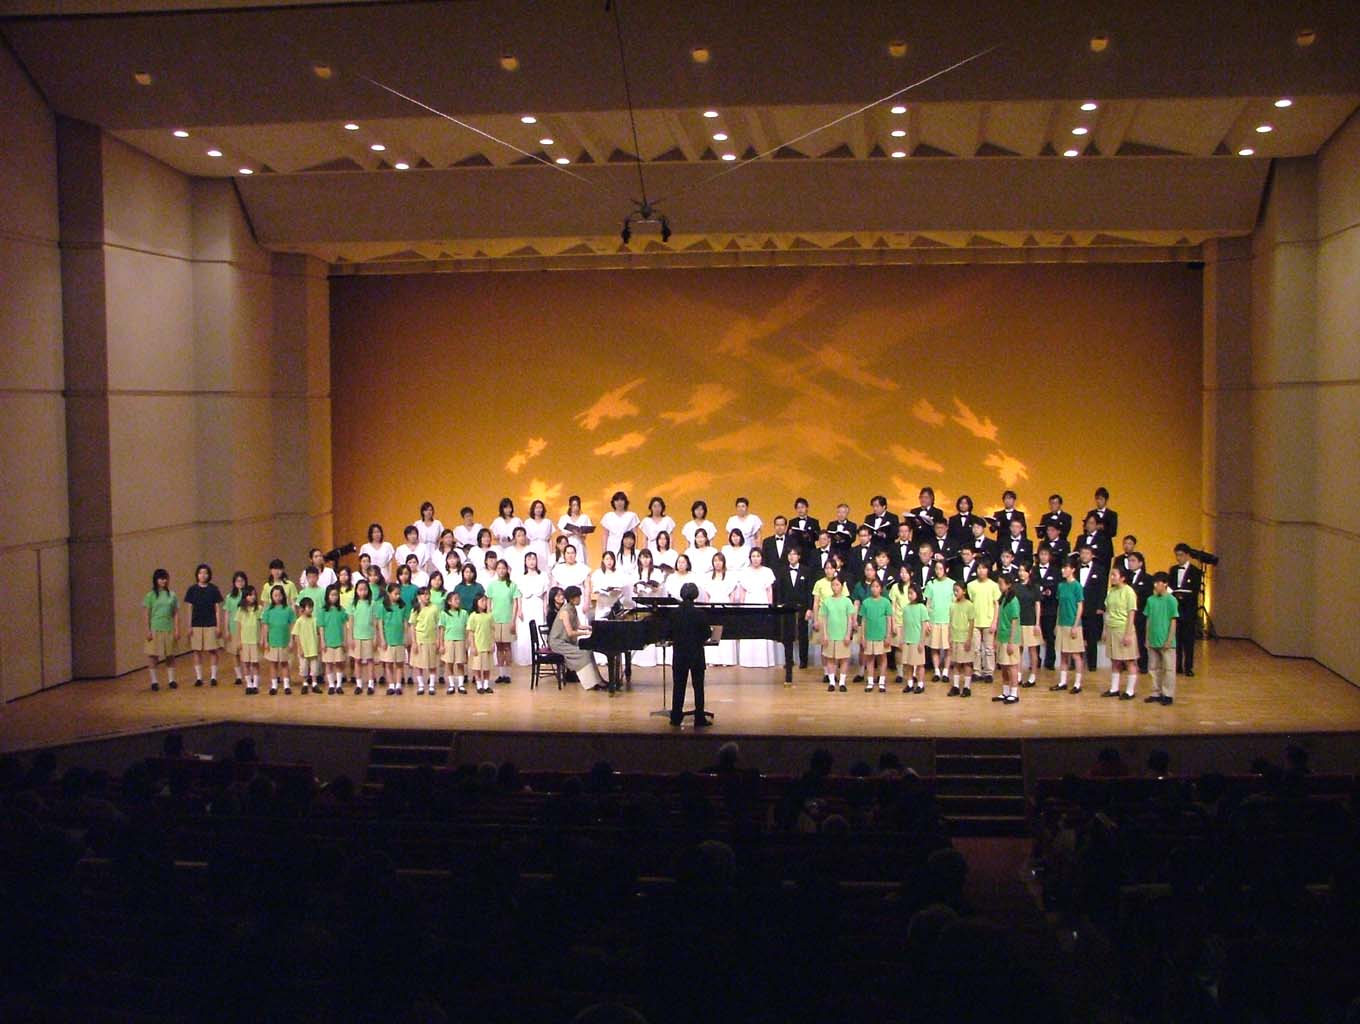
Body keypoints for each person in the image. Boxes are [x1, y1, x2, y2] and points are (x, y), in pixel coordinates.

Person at [669, 582, 714, 727]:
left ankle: (676, 717)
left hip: (679, 654)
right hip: (696, 654)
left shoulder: (674, 613)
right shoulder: (700, 614)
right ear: (695, 595)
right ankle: (699, 718)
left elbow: (669, 633)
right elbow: (707, 633)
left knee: (678, 687)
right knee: (698, 687)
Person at [548, 585, 607, 691]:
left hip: (565, 641)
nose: (579, 599)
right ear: (571, 598)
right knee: (584, 653)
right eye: (578, 597)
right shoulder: (565, 611)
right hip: (558, 643)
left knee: (589, 651)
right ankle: (591, 683)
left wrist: (592, 627)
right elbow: (570, 632)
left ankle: (599, 680)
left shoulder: (572, 608)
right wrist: (586, 633)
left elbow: (578, 625)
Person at [182, 562, 224, 688]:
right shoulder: (192, 590)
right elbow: (189, 608)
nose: (203, 575)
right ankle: (199, 677)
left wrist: (218, 625)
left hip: (211, 623)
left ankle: (213, 677)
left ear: (209, 575)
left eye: (205, 573)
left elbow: (217, 609)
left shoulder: (214, 589)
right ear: (197, 575)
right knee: (197, 651)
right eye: (200, 573)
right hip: (196, 624)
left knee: (213, 650)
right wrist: (189, 626)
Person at [1101, 565, 1139, 699]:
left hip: (1123, 629)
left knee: (1129, 661)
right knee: (1115, 660)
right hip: (1112, 629)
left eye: (1114, 575)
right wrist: (1105, 629)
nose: (1112, 577)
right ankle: (1114, 688)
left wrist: (1128, 634)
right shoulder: (1111, 591)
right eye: (1111, 575)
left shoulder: (1129, 592)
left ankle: (1130, 691)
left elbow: (1131, 613)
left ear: (1122, 578)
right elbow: (1107, 611)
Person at [736, 547, 777, 668]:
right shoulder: (744, 572)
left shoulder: (767, 571)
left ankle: (764, 661)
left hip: (762, 601)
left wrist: (770, 606)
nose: (755, 559)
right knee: (749, 629)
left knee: (763, 629)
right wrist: (742, 607)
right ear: (750, 558)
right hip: (749, 601)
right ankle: (747, 661)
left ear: (762, 558)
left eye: (758, 556)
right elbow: (742, 590)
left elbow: (769, 590)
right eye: (753, 556)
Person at [775, 545, 814, 670]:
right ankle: (789, 660)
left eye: (794, 554)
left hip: (802, 607)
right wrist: (779, 604)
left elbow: (809, 591)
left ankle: (804, 661)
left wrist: (810, 608)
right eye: (789, 554)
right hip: (787, 607)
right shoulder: (782, 570)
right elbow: (779, 589)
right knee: (787, 635)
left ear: (799, 556)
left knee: (803, 634)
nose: (791, 557)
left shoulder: (806, 570)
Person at [1143, 573, 1178, 706]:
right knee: (1153, 668)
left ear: (1165, 584)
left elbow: (1173, 620)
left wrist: (1169, 639)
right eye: (1155, 583)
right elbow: (1148, 619)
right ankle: (1155, 692)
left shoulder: (1171, 600)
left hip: (1166, 640)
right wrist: (1147, 638)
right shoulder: (1150, 600)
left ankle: (1168, 694)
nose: (1156, 585)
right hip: (1153, 639)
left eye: (1158, 583)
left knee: (1168, 669)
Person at [1051, 560, 1085, 694]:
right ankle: (1063, 682)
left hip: (1073, 624)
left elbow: (1080, 606)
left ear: (1073, 570)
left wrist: (1075, 625)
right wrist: (1057, 623)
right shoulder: (1061, 586)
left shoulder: (1077, 586)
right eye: (1062, 568)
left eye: (1066, 568)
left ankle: (1077, 683)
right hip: (1062, 623)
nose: (1063, 570)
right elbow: (1059, 606)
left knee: (1076, 655)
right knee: (1063, 654)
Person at [486, 561, 521, 686]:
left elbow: (515, 604)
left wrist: (513, 620)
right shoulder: (492, 585)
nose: (501, 570)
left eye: (503, 568)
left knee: (507, 647)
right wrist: (489, 617)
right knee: (499, 647)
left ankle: (508, 674)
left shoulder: (512, 585)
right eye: (499, 568)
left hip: (507, 620)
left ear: (507, 570)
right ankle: (501, 674)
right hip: (495, 619)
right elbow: (489, 603)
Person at [817, 577, 855, 692]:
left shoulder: (847, 601)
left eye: (837, 585)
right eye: (833, 585)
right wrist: (824, 634)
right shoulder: (827, 601)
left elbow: (850, 619)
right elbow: (824, 619)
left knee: (844, 659)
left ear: (842, 586)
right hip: (830, 635)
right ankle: (832, 682)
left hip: (842, 635)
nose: (835, 587)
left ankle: (842, 682)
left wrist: (848, 634)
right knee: (830, 659)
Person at [966, 560, 1001, 684]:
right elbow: (969, 604)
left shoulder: (993, 585)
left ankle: (989, 672)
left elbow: (996, 605)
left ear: (988, 570)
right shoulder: (971, 585)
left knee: (989, 649)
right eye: (979, 568)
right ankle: (977, 671)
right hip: (975, 622)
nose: (981, 571)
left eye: (984, 568)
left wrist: (994, 622)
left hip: (988, 621)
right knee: (975, 649)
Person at [1170, 544, 1201, 676]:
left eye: (1181, 555)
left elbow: (1195, 591)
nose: (1178, 558)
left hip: (1188, 609)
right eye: (1177, 555)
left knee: (1188, 639)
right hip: (1176, 609)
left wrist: (1183, 596)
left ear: (1188, 555)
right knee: (1176, 638)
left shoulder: (1195, 571)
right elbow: (1170, 587)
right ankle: (1177, 665)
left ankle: (1188, 666)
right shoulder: (1173, 570)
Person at [857, 577, 893, 692]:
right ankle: (870, 681)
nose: (874, 589)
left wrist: (888, 635)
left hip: (881, 635)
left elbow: (889, 620)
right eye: (872, 586)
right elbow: (863, 620)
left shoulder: (886, 602)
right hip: (869, 635)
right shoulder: (866, 602)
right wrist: (863, 637)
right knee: (870, 659)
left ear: (881, 589)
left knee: (882, 658)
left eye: (877, 586)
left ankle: (881, 682)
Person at [701, 552, 738, 665]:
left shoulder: (729, 576)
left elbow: (732, 592)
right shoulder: (708, 577)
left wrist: (730, 606)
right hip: (712, 605)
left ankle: (727, 659)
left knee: (725, 631)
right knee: (713, 631)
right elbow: (706, 594)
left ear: (724, 562)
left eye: (720, 560)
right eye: (715, 561)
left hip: (725, 605)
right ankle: (713, 659)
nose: (717, 563)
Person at [513, 551, 548, 666]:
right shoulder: (521, 577)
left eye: (533, 559)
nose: (532, 562)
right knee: (525, 631)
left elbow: (545, 594)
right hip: (525, 606)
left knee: (538, 628)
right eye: (529, 559)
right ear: (525, 561)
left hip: (538, 605)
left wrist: (545, 607)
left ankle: (540, 656)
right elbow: (518, 595)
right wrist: (519, 609)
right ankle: (526, 657)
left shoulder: (543, 575)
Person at [261, 583, 296, 695]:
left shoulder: (288, 610)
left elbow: (292, 625)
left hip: (284, 641)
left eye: (279, 595)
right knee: (273, 664)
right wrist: (265, 641)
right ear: (271, 597)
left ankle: (286, 685)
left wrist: (291, 640)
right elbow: (265, 626)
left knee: (285, 664)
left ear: (283, 596)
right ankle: (274, 686)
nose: (277, 597)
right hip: (272, 641)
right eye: (275, 595)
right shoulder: (268, 611)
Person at [924, 558, 954, 683]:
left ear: (946, 569)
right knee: (934, 647)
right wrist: (926, 620)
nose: (938, 571)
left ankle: (946, 671)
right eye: (936, 568)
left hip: (947, 620)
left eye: (941, 568)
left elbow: (955, 603)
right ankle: (937, 671)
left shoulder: (952, 584)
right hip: (934, 619)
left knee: (948, 648)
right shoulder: (931, 584)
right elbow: (928, 603)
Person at [992, 574, 1021, 704]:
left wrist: (1011, 642)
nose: (999, 586)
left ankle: (1014, 693)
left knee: (1012, 667)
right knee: (1004, 666)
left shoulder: (1014, 601)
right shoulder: (1003, 599)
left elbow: (1014, 622)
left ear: (1008, 584)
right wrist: (996, 638)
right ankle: (1005, 692)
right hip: (1002, 637)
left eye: (1001, 583)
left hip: (1010, 638)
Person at [1076, 545, 1106, 670]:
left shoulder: (1099, 570)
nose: (1084, 555)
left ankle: (1092, 665)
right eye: (1082, 553)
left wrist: (1100, 606)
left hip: (1092, 608)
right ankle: (1075, 664)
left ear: (1092, 555)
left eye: (1087, 553)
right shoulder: (1075, 568)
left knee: (1091, 637)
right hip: (1077, 608)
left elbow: (1102, 589)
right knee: (1076, 636)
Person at [376, 582, 408, 695]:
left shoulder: (402, 606)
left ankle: (398, 685)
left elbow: (405, 622)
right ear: (389, 593)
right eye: (395, 594)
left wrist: (405, 637)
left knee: (399, 663)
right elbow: (380, 624)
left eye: (399, 594)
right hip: (388, 639)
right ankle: (391, 685)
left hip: (399, 639)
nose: (397, 596)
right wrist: (382, 639)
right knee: (388, 663)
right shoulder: (382, 606)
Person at [407, 586, 441, 694]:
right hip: (420, 640)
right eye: (424, 594)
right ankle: (421, 685)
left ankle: (431, 685)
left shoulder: (434, 608)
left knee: (432, 664)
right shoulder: (415, 609)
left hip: (431, 639)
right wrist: (414, 642)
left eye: (428, 594)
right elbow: (412, 625)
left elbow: (438, 624)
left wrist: (438, 640)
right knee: (418, 664)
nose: (426, 596)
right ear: (419, 597)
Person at [895, 581, 928, 693]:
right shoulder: (906, 608)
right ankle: (909, 683)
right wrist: (901, 639)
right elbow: (904, 625)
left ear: (917, 594)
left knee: (920, 664)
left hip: (917, 640)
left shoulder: (922, 608)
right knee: (908, 664)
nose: (910, 595)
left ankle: (920, 684)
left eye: (912, 593)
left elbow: (924, 626)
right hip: (907, 640)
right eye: (908, 593)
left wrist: (922, 642)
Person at [1013, 562, 1042, 687]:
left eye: (1024, 571)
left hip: (1031, 621)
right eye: (1020, 570)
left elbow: (1037, 605)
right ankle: (1018, 675)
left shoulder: (1034, 587)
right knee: (1018, 649)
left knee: (1032, 650)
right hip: (1019, 621)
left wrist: (1037, 623)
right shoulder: (1015, 587)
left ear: (1029, 572)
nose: (1021, 573)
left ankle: (1033, 676)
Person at [1124, 551, 1153, 672]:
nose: (1130, 563)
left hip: (1140, 613)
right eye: (1129, 561)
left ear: (1140, 563)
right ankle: (1125, 663)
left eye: (1133, 561)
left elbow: (1148, 597)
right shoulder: (1125, 577)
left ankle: (1143, 664)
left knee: (1140, 639)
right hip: (1125, 614)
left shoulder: (1148, 578)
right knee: (1125, 637)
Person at [317, 584, 349, 694]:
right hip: (328, 641)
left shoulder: (342, 610)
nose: (334, 597)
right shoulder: (322, 611)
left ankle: (339, 684)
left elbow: (344, 626)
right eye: (331, 595)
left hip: (339, 641)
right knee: (329, 664)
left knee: (339, 663)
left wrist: (345, 640)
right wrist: (322, 641)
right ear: (327, 596)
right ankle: (331, 685)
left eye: (335, 595)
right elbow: (321, 627)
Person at [947, 582, 976, 697]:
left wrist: (969, 639)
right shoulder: (952, 605)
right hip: (955, 637)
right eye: (954, 590)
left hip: (965, 638)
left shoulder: (969, 605)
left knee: (967, 663)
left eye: (957, 590)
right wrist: (949, 637)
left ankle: (967, 687)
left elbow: (971, 623)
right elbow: (950, 622)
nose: (955, 593)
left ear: (964, 591)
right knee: (956, 663)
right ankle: (955, 686)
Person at [1034, 545, 1061, 670]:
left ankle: (1050, 662)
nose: (1043, 557)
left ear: (1049, 556)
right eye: (1041, 554)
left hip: (1050, 608)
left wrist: (1050, 592)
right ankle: (1036, 661)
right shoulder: (1033, 570)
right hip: (1036, 608)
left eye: (1046, 554)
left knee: (1050, 636)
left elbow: (1058, 588)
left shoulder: (1056, 571)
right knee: (1036, 636)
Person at [348, 578, 376, 694]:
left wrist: (375, 637)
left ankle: (370, 684)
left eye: (365, 589)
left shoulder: (372, 604)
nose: (362, 592)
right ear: (356, 591)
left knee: (370, 660)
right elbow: (351, 622)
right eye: (360, 590)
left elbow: (375, 621)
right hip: (357, 636)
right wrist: (350, 638)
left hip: (369, 636)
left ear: (368, 590)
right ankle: (359, 684)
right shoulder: (353, 604)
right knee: (357, 660)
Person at [438, 591, 470, 693]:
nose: (458, 601)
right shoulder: (444, 614)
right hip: (448, 641)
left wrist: (467, 642)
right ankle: (451, 685)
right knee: (449, 663)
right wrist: (441, 644)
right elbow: (442, 630)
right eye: (455, 599)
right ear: (449, 602)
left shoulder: (464, 613)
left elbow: (467, 629)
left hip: (460, 640)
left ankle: (460, 684)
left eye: (458, 599)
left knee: (460, 663)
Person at [233, 585, 261, 695]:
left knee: (255, 663)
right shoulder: (241, 610)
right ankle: (249, 684)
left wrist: (263, 639)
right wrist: (238, 640)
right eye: (249, 595)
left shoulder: (259, 609)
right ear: (245, 596)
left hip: (255, 640)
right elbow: (238, 626)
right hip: (244, 641)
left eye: (254, 594)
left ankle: (255, 685)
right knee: (246, 663)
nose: (252, 597)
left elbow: (262, 624)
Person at [291, 595, 321, 694]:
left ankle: (314, 683)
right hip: (304, 649)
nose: (311, 609)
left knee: (314, 668)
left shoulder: (315, 620)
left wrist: (319, 646)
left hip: (313, 648)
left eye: (312, 607)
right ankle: (304, 683)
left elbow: (318, 633)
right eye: (309, 607)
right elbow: (296, 636)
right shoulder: (299, 621)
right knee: (303, 667)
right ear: (303, 608)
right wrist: (300, 648)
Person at [223, 570, 249, 686]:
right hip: (233, 628)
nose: (240, 583)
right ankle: (238, 676)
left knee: (245, 653)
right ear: (234, 582)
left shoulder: (248, 596)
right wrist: (226, 629)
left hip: (246, 629)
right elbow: (227, 613)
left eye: (242, 581)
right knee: (235, 653)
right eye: (237, 581)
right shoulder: (230, 597)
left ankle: (247, 675)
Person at [467, 594, 496, 693]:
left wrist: (493, 643)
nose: (484, 603)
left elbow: (492, 630)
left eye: (485, 601)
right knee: (477, 667)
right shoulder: (473, 616)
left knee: (487, 667)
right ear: (476, 602)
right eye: (482, 601)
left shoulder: (489, 616)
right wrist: (472, 646)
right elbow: (471, 632)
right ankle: (479, 685)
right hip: (478, 646)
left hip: (487, 645)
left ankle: (486, 685)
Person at [600, 490, 640, 555]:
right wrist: (604, 552)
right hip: (611, 547)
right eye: (617, 500)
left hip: (627, 547)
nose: (619, 502)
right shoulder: (608, 516)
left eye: (622, 500)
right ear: (613, 502)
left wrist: (634, 550)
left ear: (625, 502)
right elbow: (605, 535)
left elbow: (635, 534)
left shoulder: (631, 516)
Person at [557, 494, 594, 563]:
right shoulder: (564, 518)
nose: (576, 507)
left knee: (580, 564)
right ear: (570, 506)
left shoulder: (584, 518)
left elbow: (584, 536)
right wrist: (572, 533)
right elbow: (561, 535)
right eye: (573, 505)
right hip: (567, 545)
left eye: (577, 505)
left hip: (579, 545)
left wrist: (579, 534)